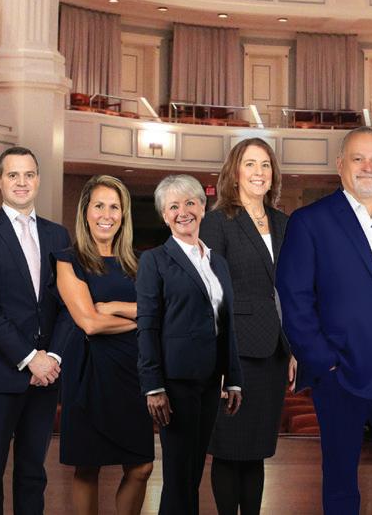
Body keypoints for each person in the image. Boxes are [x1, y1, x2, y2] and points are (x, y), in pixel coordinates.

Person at [277, 126, 372, 515]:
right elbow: (294, 299)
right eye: (358, 159)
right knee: (341, 481)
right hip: (340, 374)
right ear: (340, 164)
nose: (367, 167)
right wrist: (324, 363)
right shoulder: (309, 221)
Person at [0, 146, 72, 515]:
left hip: (47, 375)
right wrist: (29, 358)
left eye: (28, 174)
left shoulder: (58, 235)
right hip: (2, 370)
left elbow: (68, 305)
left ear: (38, 179)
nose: (21, 182)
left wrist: (51, 358)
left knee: (33, 473)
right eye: (13, 175)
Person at [138, 174, 244, 515]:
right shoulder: (154, 261)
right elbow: (147, 325)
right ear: (164, 216)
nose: (182, 211)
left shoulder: (217, 262)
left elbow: (227, 323)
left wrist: (234, 378)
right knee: (178, 474)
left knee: (193, 472)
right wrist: (153, 385)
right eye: (173, 206)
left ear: (203, 207)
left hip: (211, 380)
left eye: (189, 203)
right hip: (175, 381)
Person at [202, 138, 292, 515]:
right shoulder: (217, 221)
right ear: (235, 173)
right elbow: (210, 293)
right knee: (228, 448)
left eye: (265, 165)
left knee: (256, 449)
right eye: (250, 164)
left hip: (273, 354)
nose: (259, 172)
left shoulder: (284, 223)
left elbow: (291, 291)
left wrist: (292, 349)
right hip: (235, 351)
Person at [54, 175, 154, 515]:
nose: (106, 215)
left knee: (141, 466)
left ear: (123, 215)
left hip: (133, 373)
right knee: (87, 466)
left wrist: (114, 308)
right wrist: (140, 319)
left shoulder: (140, 263)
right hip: (89, 371)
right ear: (85, 211)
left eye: (114, 207)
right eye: (99, 206)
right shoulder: (68, 259)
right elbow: (90, 323)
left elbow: (161, 311)